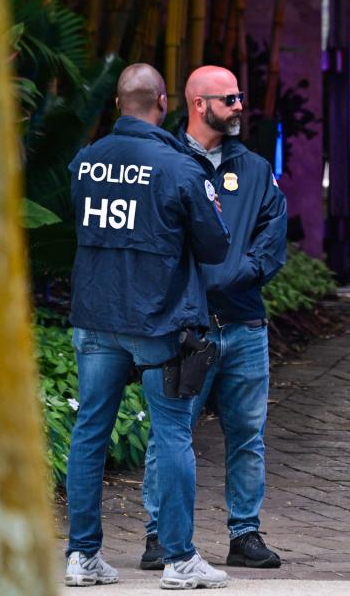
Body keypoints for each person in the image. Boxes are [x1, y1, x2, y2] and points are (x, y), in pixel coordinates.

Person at [63, 64, 231, 589]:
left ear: (117, 103)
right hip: (159, 322)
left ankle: (82, 556)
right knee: (174, 433)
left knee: (90, 431)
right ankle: (179, 561)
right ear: (163, 101)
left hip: (96, 317)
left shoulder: (85, 163)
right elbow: (215, 246)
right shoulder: (181, 169)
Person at [142, 65, 288, 570]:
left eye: (240, 97)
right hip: (183, 326)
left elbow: (274, 230)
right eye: (230, 99)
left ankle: (244, 532)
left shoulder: (252, 167)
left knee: (247, 433)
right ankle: (159, 534)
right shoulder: (160, 162)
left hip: (244, 324)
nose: (240, 106)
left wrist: (235, 273)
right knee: (171, 432)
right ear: (198, 104)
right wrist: (191, 287)